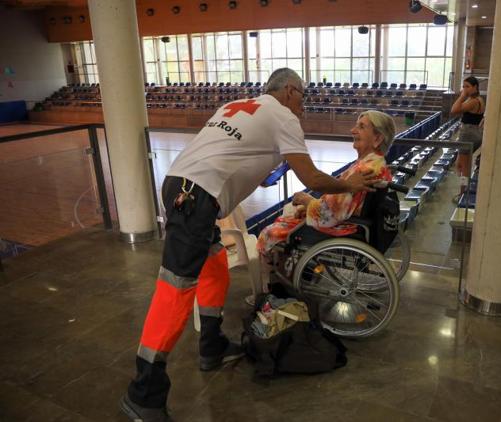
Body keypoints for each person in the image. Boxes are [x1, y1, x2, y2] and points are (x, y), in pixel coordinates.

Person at [120, 68, 378, 421]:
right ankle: (144, 392)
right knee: (175, 290)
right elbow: (313, 177)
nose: (304, 102)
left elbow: (233, 152)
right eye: (303, 94)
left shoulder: (239, 103)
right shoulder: (284, 114)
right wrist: (351, 184)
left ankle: (211, 346)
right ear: (289, 90)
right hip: (196, 198)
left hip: (182, 188)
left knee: (214, 267)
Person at [256, 111, 395, 274]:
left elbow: (330, 213)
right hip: (350, 220)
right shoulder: (375, 164)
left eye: (361, 127)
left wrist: (307, 201)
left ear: (377, 139)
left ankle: (274, 282)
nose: (353, 130)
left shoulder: (366, 169)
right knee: (290, 211)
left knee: (268, 233)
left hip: (341, 227)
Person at [450, 76, 485, 201]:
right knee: (461, 164)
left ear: (475, 87)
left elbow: (454, 110)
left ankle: (462, 193)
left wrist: (462, 96)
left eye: (467, 87)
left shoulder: (473, 101)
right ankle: (463, 191)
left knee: (464, 167)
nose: (464, 89)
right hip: (472, 133)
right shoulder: (478, 99)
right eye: (463, 87)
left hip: (468, 135)